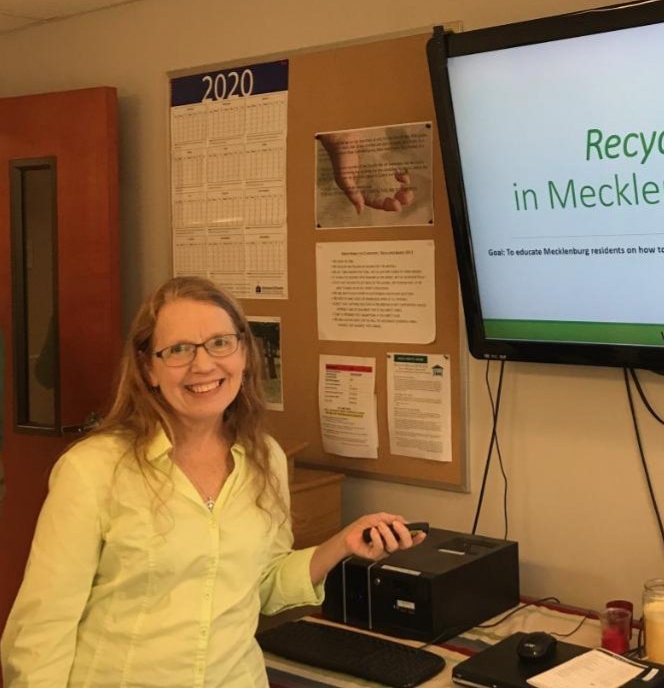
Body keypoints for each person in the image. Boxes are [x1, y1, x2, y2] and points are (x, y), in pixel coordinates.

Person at [0, 276, 425, 686]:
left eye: (220, 343)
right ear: (148, 368)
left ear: (243, 353)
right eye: (180, 349)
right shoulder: (93, 469)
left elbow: (261, 585)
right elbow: (42, 628)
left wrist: (341, 544)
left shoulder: (265, 459)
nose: (203, 364)